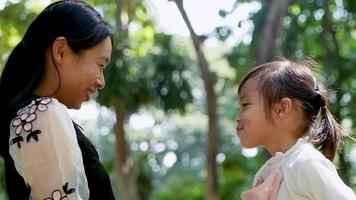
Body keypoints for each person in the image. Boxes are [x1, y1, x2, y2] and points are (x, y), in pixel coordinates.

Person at [0, 0, 116, 199]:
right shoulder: (42, 115)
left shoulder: (29, 117)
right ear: (61, 51)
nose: (101, 81)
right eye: (100, 65)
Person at [236, 60, 356, 200]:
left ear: (282, 109)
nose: (237, 117)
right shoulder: (264, 174)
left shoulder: (307, 163)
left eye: (245, 105)